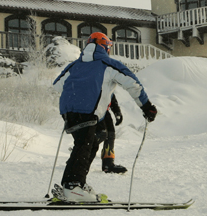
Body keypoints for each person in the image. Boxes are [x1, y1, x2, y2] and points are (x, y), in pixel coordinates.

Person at [53, 32, 157, 202]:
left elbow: (57, 85)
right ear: (106, 47)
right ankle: (73, 186)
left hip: (68, 111)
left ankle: (71, 184)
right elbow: (133, 84)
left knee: (87, 143)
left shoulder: (75, 65)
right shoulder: (108, 64)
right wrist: (147, 107)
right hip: (88, 110)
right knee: (86, 145)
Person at [97, 94, 128, 174]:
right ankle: (79, 155)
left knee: (110, 134)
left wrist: (117, 111)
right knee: (101, 134)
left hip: (104, 111)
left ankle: (108, 164)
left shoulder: (108, 82)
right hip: (93, 109)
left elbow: (110, 94)